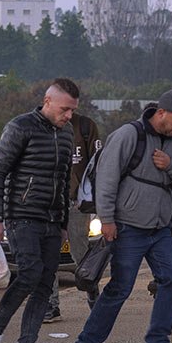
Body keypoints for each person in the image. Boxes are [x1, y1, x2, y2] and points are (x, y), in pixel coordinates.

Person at [70, 90, 172, 343]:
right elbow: (106, 177)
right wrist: (106, 219)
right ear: (161, 112)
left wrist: (171, 165)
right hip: (127, 226)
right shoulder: (129, 135)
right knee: (120, 288)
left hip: (160, 228)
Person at [0, 80, 79, 343]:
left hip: (50, 220)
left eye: (73, 110)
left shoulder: (67, 132)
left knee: (45, 284)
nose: (69, 115)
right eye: (64, 109)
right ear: (47, 101)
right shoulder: (20, 127)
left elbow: (62, 181)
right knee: (31, 273)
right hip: (20, 216)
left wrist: (62, 223)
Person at [48, 108, 103, 320]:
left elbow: (97, 164)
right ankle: (51, 305)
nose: (67, 112)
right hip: (50, 203)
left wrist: (94, 200)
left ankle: (94, 297)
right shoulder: (44, 128)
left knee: (80, 254)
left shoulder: (85, 127)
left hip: (75, 203)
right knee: (49, 255)